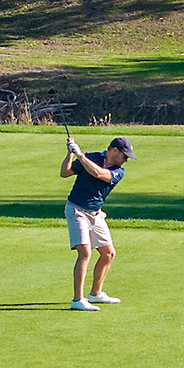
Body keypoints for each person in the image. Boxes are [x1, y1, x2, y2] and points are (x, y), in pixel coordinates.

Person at [62, 133, 133, 310]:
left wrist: (80, 154)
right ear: (114, 150)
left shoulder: (119, 171)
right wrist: (70, 153)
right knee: (85, 252)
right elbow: (65, 173)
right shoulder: (91, 157)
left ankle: (95, 294)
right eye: (124, 156)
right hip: (76, 209)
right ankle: (77, 300)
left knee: (108, 253)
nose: (125, 160)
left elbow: (98, 173)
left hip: (96, 214)